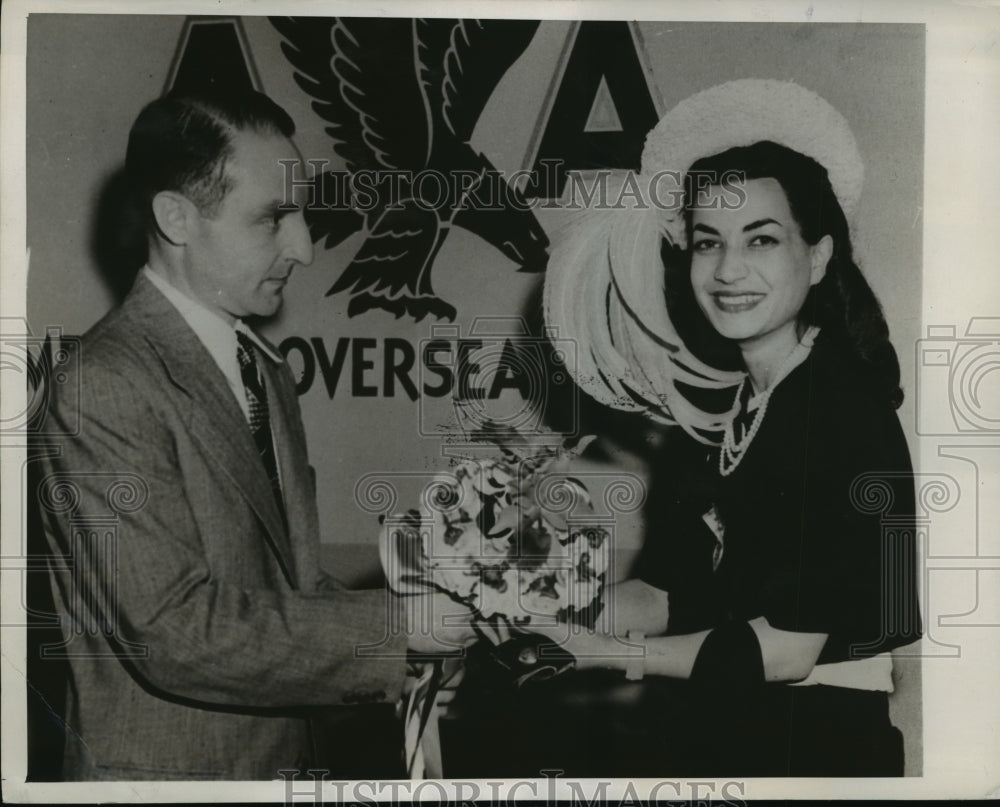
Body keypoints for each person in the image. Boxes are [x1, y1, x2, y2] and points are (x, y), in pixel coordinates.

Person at [34, 88, 471, 781]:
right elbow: (172, 630)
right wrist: (398, 630)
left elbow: (286, 593)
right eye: (274, 219)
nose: (302, 248)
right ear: (176, 218)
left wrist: (407, 648)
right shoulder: (104, 386)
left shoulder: (263, 369)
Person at [540, 79, 922, 776]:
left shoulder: (840, 414)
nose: (728, 269)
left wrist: (609, 652)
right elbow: (670, 593)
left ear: (817, 256)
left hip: (818, 750)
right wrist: (539, 598)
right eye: (708, 242)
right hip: (733, 735)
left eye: (762, 239)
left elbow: (787, 649)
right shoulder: (731, 409)